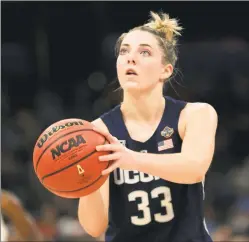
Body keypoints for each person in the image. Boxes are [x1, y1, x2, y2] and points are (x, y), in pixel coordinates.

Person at [78, 11, 218, 242]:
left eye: (144, 52)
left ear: (166, 70)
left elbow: (194, 169)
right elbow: (94, 228)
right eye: (124, 51)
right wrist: (85, 180)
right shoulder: (97, 131)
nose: (131, 58)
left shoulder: (195, 114)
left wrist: (129, 158)